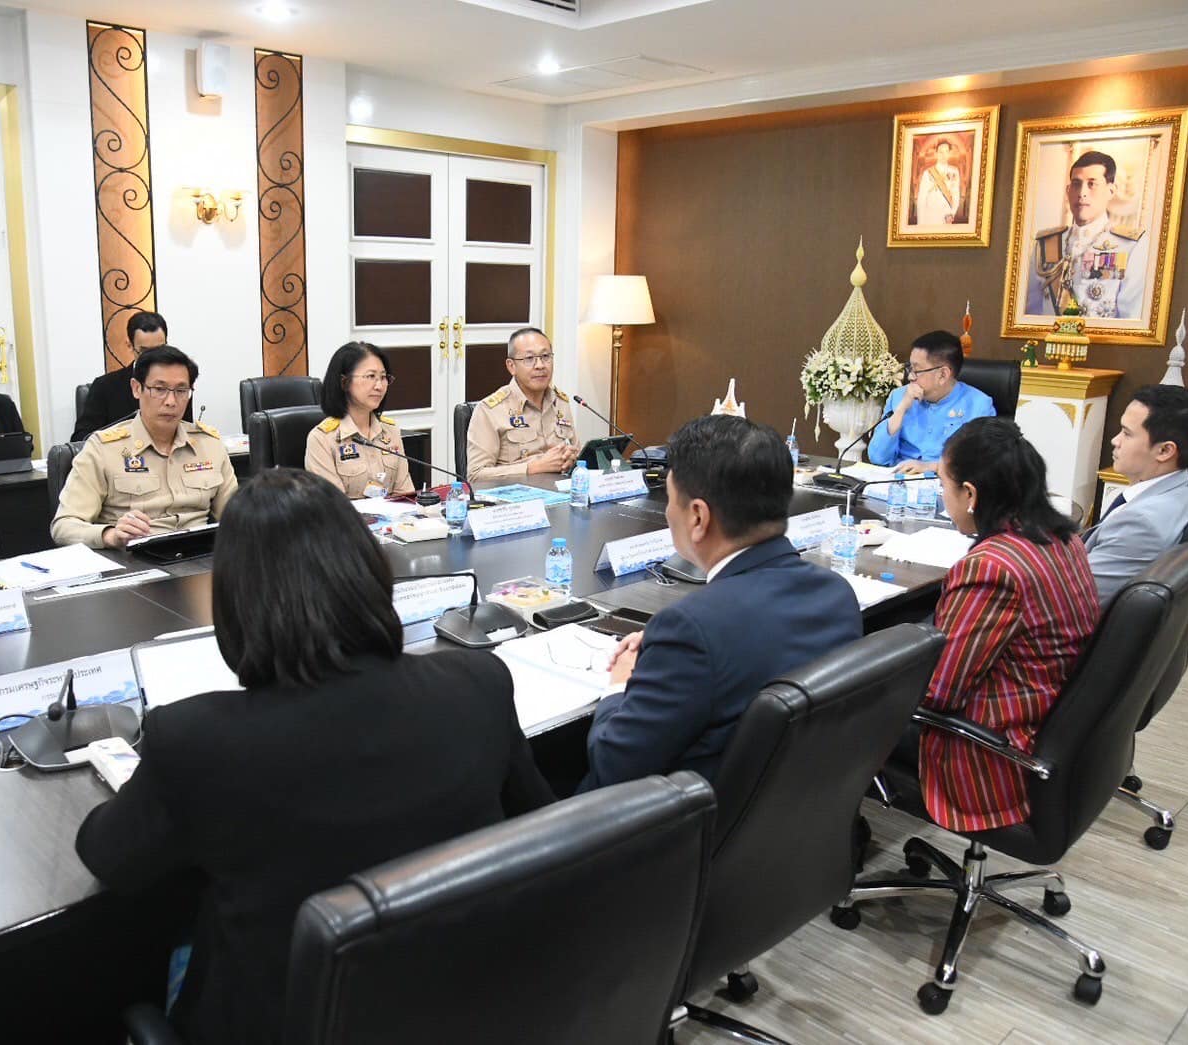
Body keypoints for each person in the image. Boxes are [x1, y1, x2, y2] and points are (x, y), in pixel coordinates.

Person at [74, 469, 552, 1044]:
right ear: (370, 572)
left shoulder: (194, 739)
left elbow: (109, 857)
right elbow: (543, 826)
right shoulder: (479, 682)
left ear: (234, 602)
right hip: (460, 1006)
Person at [578, 414, 862, 792]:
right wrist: (667, 652)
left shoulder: (691, 629)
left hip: (694, 819)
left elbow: (613, 767)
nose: (668, 512)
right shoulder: (836, 592)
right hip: (798, 809)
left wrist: (621, 683)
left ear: (698, 516)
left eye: (670, 500)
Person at [915, 418, 1098, 833]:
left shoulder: (992, 568)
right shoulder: (1062, 538)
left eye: (943, 485)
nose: (943, 497)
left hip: (989, 752)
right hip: (1048, 721)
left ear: (971, 494)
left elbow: (937, 693)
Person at [51, 345, 236, 549]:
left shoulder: (209, 445)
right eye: (159, 389)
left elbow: (239, 519)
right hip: (133, 558)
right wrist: (110, 535)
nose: (171, 401)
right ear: (136, 388)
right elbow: (64, 526)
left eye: (181, 391)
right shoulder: (103, 449)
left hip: (200, 556)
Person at [1086, 385, 1188, 604]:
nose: (1115, 440)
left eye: (1127, 433)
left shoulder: (1141, 524)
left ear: (1164, 451)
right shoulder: (1184, 488)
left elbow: (1069, 597)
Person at [1024, 149, 1149, 321]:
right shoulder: (1046, 244)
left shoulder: (1130, 245)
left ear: (1111, 191)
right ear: (1068, 191)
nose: (1082, 193)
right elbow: (1031, 313)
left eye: (1092, 184)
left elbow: (1131, 318)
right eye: (1076, 184)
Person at [867, 330, 995, 473]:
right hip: (896, 480)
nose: (910, 377)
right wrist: (900, 410)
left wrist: (931, 467)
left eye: (917, 370)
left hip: (944, 483)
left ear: (943, 375)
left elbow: (980, 464)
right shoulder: (899, 396)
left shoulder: (979, 406)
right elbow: (877, 458)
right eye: (910, 368)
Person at [465, 327, 580, 481]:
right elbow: (475, 475)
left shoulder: (561, 403)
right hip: (515, 494)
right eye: (529, 358)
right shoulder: (490, 410)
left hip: (563, 491)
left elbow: (578, 455)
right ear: (511, 366)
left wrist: (572, 459)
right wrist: (533, 467)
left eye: (545, 356)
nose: (540, 365)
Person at [304, 342, 414, 499]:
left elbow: (405, 494)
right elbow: (334, 506)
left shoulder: (391, 431)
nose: (379, 386)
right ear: (344, 382)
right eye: (370, 376)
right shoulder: (322, 439)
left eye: (383, 377)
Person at [71, 311, 190, 441]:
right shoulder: (105, 386)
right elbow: (81, 439)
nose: (154, 359)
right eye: (145, 352)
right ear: (130, 346)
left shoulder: (179, 385)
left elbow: (185, 431)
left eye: (159, 350)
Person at [914, 138, 962, 225]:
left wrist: (952, 213)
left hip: (946, 216)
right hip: (929, 216)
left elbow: (956, 194)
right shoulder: (927, 173)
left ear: (949, 153)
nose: (944, 155)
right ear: (936, 153)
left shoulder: (954, 171)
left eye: (946, 152)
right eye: (941, 152)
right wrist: (920, 223)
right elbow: (922, 198)